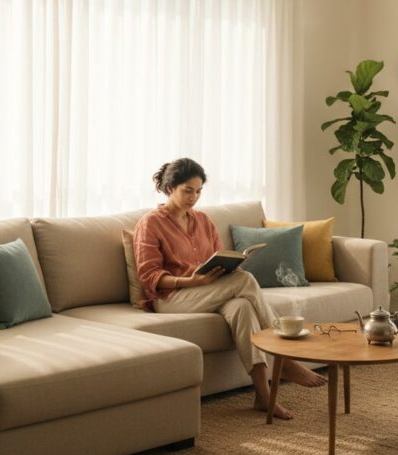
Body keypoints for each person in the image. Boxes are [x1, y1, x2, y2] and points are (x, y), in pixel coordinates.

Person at [133, 157, 326, 421]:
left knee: (243, 307)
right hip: (172, 298)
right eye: (187, 190)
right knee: (245, 281)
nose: (194, 197)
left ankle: (263, 395)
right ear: (169, 189)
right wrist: (190, 281)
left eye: (198, 190)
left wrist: (228, 267)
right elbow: (149, 276)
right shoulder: (151, 223)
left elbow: (217, 255)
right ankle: (285, 359)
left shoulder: (203, 220)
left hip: (209, 290)